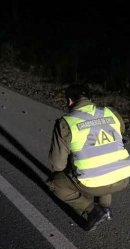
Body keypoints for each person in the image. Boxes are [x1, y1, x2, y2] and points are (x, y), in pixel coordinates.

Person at [48, 84, 130, 231]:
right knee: (104, 163)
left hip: (94, 183)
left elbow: (57, 165)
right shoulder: (111, 113)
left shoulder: (66, 123)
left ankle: (93, 210)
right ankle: (105, 209)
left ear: (70, 101)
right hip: (124, 177)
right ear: (90, 99)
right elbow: (121, 132)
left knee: (55, 184)